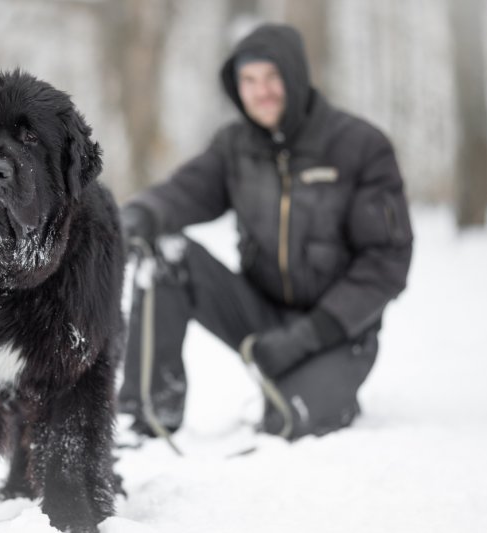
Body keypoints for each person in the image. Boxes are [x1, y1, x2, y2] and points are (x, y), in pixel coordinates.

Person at [118, 23, 413, 441]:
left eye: (273, 77)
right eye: (249, 81)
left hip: (336, 329)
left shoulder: (361, 146)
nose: (261, 92)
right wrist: (137, 217)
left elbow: (387, 263)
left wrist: (307, 337)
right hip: (260, 314)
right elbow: (184, 192)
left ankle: (322, 383)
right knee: (168, 254)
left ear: (295, 76)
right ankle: (145, 413)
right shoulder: (234, 146)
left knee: (288, 420)